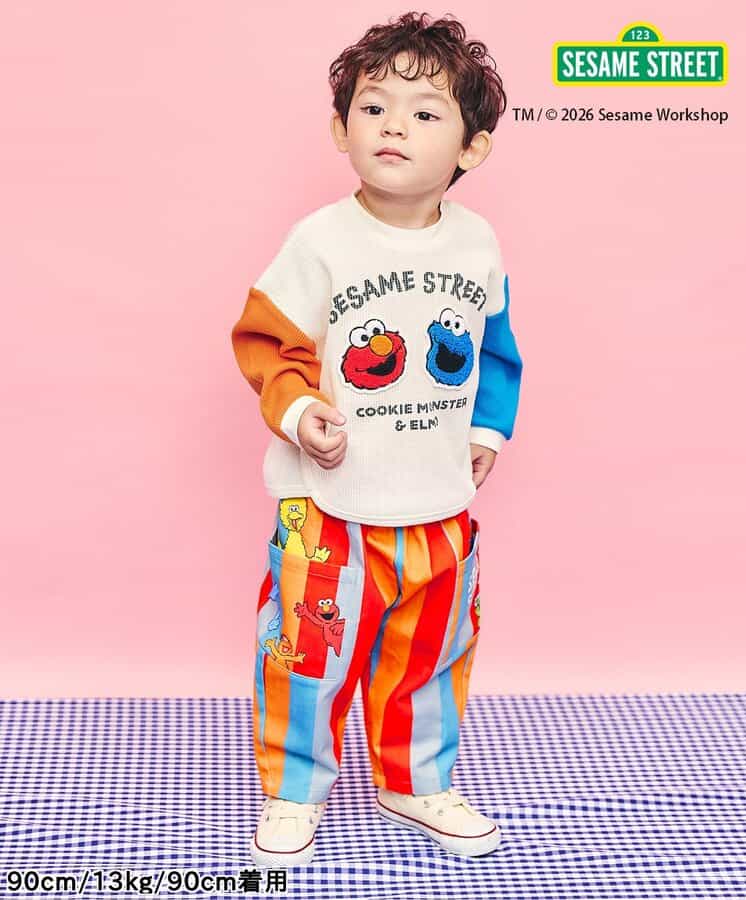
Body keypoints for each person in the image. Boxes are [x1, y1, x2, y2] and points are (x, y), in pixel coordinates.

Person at [230, 11, 523, 867]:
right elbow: (268, 342)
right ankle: (294, 793)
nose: (395, 125)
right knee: (306, 656)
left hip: (437, 504)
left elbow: (497, 351)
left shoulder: (478, 244)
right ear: (340, 129)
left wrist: (487, 428)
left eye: (425, 112)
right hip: (326, 510)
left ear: (472, 148)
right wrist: (298, 412)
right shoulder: (319, 241)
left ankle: (414, 780)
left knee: (429, 655)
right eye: (373, 107)